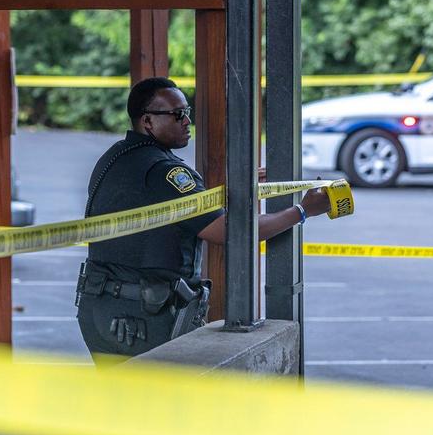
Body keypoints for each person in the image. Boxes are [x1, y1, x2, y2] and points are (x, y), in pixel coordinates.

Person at [75, 77, 331, 359]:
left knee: (120, 401)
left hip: (101, 311)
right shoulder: (166, 172)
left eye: (187, 112)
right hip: (144, 319)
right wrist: (303, 210)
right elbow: (228, 232)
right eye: (178, 114)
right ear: (147, 121)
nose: (187, 121)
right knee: (167, 402)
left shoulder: (115, 158)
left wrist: (239, 193)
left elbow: (169, 209)